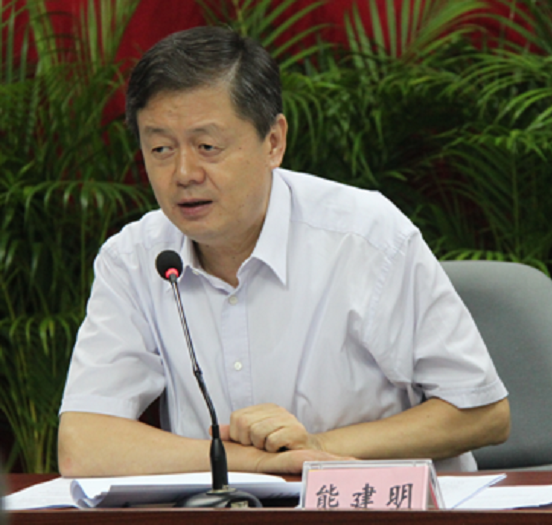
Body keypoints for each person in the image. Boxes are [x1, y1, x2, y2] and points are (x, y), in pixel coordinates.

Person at [57, 26, 510, 478]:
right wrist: (255, 463)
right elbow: (83, 445)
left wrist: (318, 448)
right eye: (160, 149)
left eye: (207, 146)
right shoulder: (134, 259)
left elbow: (483, 413)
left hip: (376, 504)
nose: (184, 173)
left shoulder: (367, 237)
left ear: (273, 142)